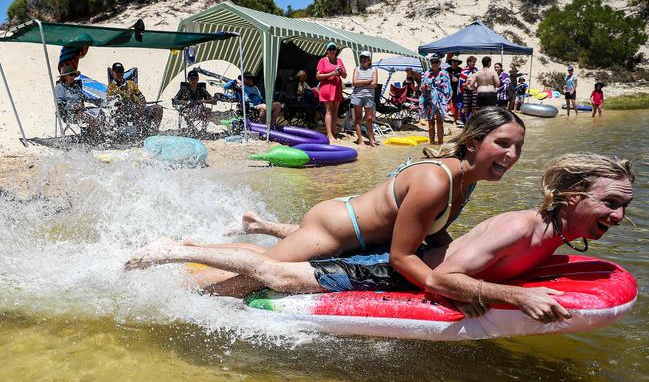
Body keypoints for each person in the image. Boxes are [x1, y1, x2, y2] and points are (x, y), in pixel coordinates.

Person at [126, 153, 634, 324]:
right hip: (393, 270)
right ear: (569, 196)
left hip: (397, 259)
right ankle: (174, 250)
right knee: (277, 274)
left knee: (243, 283)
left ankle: (200, 259)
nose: (617, 216)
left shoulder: (552, 235)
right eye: (610, 203)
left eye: (624, 207)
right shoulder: (522, 226)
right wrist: (511, 296)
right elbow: (444, 277)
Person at [126, 107, 526, 298]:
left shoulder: (466, 180)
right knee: (254, 279)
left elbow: (433, 234)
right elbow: (403, 257)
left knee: (273, 255)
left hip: (347, 228)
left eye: (518, 148)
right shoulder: (437, 180)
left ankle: (198, 249)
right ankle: (176, 264)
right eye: (502, 144)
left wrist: (464, 260)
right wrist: (447, 288)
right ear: (474, 143)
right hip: (336, 231)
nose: (510, 156)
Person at [106, 62, 163, 132]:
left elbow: (142, 98)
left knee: (158, 108)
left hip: (139, 108)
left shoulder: (131, 84)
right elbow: (110, 103)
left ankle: (154, 131)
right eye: (117, 72)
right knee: (136, 110)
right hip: (125, 113)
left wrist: (141, 104)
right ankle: (141, 132)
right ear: (113, 73)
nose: (120, 74)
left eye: (121, 72)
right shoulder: (112, 88)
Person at [55, 65, 104, 136]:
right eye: (71, 75)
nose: (73, 77)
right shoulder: (59, 87)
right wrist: (72, 106)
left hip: (81, 110)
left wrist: (98, 101)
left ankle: (101, 133)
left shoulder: (76, 86)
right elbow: (59, 103)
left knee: (100, 113)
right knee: (92, 117)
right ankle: (94, 137)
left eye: (74, 75)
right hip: (69, 113)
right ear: (65, 76)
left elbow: (85, 98)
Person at [316, 42, 347, 142]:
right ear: (327, 51)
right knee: (329, 110)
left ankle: (333, 133)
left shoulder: (339, 60)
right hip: (327, 88)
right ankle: (329, 134)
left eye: (334, 49)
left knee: (335, 111)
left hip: (337, 88)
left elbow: (345, 76)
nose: (332, 51)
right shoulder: (322, 60)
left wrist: (341, 72)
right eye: (330, 49)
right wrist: (331, 73)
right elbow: (318, 76)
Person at [419, 53, 452, 144]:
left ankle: (440, 143)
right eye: (433, 62)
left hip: (441, 101)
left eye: (436, 62)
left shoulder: (444, 73)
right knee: (430, 123)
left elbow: (448, 89)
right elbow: (422, 88)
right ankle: (432, 144)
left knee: (440, 123)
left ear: (439, 62)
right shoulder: (426, 74)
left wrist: (448, 102)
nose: (435, 64)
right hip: (429, 100)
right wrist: (423, 87)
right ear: (430, 63)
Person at [350, 51, 378, 147]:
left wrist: (361, 82)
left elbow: (374, 84)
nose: (363, 59)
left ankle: (371, 140)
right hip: (357, 95)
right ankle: (361, 140)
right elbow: (354, 83)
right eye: (361, 57)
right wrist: (368, 81)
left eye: (365, 58)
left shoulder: (374, 69)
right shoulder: (357, 69)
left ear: (369, 60)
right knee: (358, 118)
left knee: (369, 119)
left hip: (369, 96)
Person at [459, 56, 478, 122]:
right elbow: (461, 83)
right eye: (473, 62)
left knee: (474, 106)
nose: (474, 64)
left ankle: (474, 121)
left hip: (474, 91)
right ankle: (466, 121)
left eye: (475, 62)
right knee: (466, 107)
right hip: (466, 91)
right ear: (469, 62)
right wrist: (466, 84)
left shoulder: (476, 70)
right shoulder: (464, 71)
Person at [446, 55, 463, 125]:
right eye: (453, 61)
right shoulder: (447, 70)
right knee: (445, 104)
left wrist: (457, 77)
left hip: (457, 90)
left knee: (456, 105)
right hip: (448, 89)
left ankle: (456, 119)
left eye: (456, 62)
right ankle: (443, 117)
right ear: (451, 62)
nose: (454, 63)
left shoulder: (461, 70)